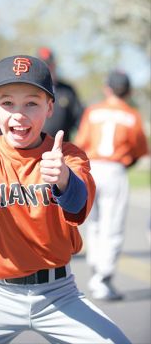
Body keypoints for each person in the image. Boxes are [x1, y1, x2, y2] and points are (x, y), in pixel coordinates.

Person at [0, 55, 131, 343]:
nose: (19, 114)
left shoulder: (68, 156)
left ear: (50, 108)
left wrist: (64, 180)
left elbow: (78, 208)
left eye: (31, 103)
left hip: (58, 294)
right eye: (7, 102)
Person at [75, 70, 149, 301]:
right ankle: (103, 278)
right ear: (127, 91)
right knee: (112, 224)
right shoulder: (132, 114)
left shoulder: (93, 111)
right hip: (115, 169)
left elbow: (81, 142)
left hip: (92, 167)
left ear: (107, 88)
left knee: (94, 222)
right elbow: (139, 150)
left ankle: (97, 270)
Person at [37, 47, 83, 140]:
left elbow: (80, 121)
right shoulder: (30, 89)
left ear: (54, 65)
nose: (46, 68)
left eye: (49, 64)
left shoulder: (67, 90)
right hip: (32, 149)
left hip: (62, 148)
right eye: (42, 65)